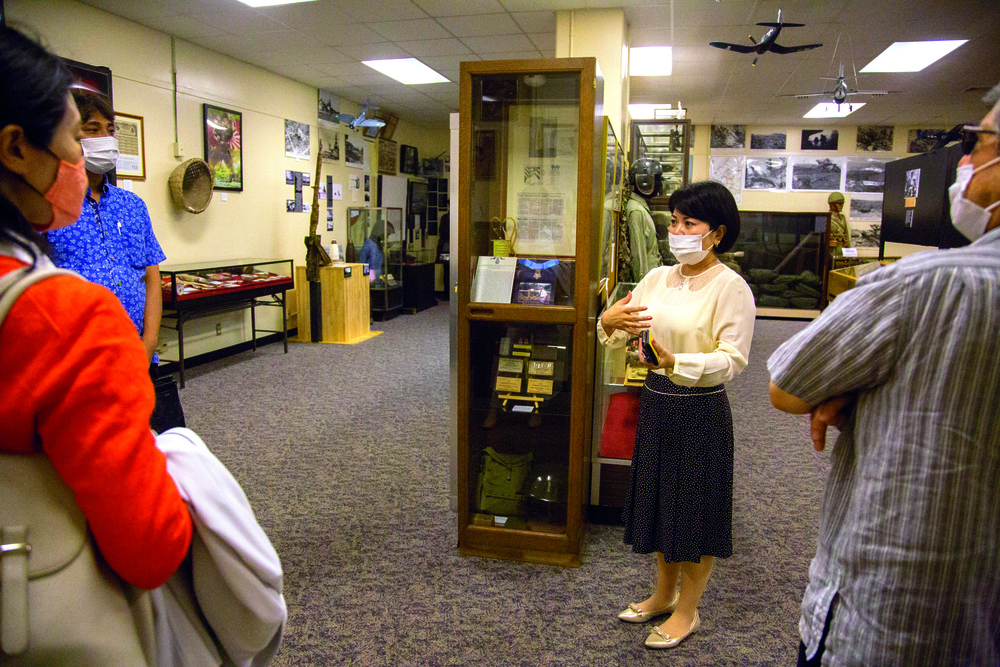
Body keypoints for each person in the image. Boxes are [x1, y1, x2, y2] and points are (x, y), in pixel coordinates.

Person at [767, 84, 1000, 666]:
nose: (965, 160)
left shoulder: (922, 284)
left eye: (975, 141)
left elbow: (788, 386)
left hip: (899, 618)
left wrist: (853, 393)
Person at [0, 22, 192, 647]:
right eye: (71, 140)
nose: (83, 160)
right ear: (15, 148)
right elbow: (151, 545)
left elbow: (151, 275)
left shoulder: (127, 210)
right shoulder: (63, 321)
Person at [599, 180, 755, 649]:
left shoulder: (731, 287)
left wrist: (678, 363)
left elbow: (734, 359)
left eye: (690, 223)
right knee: (660, 504)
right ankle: (663, 594)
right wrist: (607, 321)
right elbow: (618, 322)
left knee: (694, 513)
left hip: (701, 411)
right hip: (657, 404)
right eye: (674, 221)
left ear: (718, 233)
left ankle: (688, 611)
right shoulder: (657, 278)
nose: (677, 230)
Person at [45, 91, 165, 365]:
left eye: (110, 130)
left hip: (136, 352)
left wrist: (149, 344)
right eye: (93, 129)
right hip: (75, 358)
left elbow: (152, 278)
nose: (106, 139)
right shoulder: (48, 207)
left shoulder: (132, 206)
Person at [624, 158, 663, 281]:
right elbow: (638, 257)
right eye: (657, 179)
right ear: (644, 181)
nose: (660, 185)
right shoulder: (637, 211)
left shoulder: (641, 208)